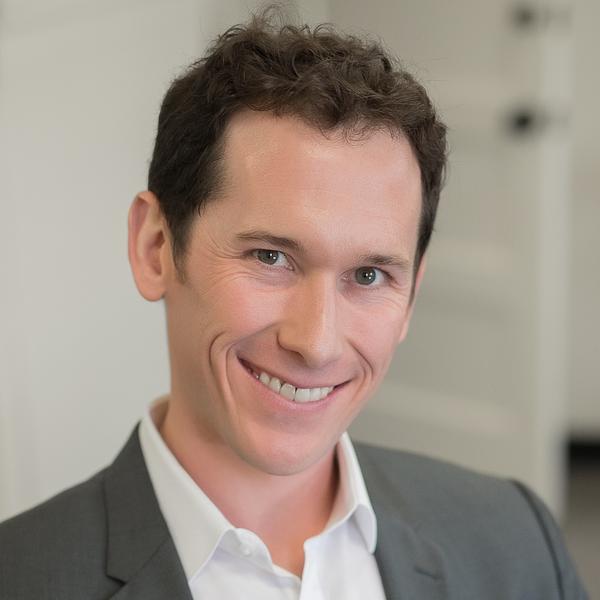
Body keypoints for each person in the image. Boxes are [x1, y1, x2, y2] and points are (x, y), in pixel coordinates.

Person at [0, 8, 589, 600]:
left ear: (411, 295)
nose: (316, 343)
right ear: (155, 247)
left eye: (369, 275)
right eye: (270, 257)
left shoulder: (517, 540)